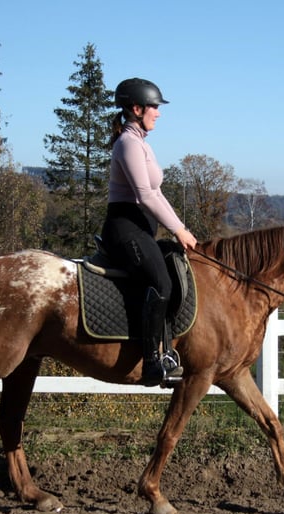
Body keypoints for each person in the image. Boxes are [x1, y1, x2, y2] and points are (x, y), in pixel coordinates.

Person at [101, 78, 197, 385]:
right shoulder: (129, 144)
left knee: (173, 262)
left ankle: (168, 348)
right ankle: (151, 362)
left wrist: (180, 229)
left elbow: (158, 194)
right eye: (154, 107)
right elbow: (145, 195)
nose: (158, 112)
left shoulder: (141, 143)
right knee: (160, 281)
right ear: (136, 108)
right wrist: (179, 229)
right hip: (125, 226)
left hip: (142, 226)